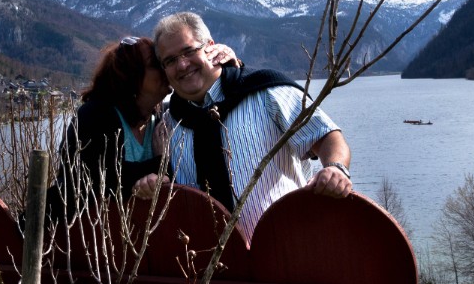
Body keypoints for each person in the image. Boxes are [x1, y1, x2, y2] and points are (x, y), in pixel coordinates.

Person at [134, 12, 352, 240]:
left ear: (210, 47)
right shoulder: (167, 125)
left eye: (189, 51)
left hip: (287, 246)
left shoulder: (268, 93)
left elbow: (326, 136)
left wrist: (335, 168)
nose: (182, 64)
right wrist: (150, 184)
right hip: (208, 258)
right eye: (170, 60)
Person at [49, 35, 237, 221]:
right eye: (157, 64)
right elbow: (104, 179)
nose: (166, 70)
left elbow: (204, 103)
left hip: (134, 234)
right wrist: (160, 162)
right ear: (132, 75)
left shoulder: (161, 117)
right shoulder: (95, 115)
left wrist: (227, 66)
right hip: (74, 231)